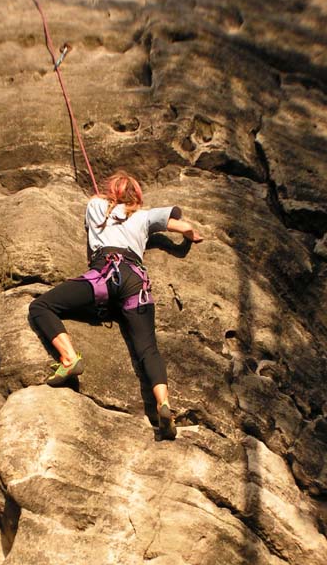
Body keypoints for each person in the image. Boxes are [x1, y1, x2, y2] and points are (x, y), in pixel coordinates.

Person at [29, 171, 202, 440]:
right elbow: (183, 227)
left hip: (103, 275)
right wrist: (192, 236)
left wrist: (105, 197)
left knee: (41, 307)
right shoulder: (144, 216)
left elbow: (99, 204)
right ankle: (163, 404)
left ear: (112, 192)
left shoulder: (96, 206)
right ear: (137, 195)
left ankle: (69, 359)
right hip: (136, 283)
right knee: (147, 348)